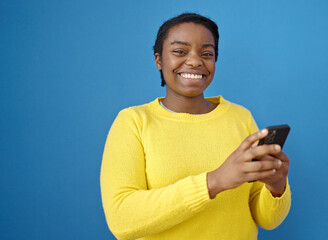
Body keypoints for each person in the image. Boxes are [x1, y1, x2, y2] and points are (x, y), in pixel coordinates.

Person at [100, 13, 291, 240]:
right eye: (180, 51)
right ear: (158, 60)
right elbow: (121, 220)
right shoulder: (133, 121)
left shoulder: (241, 117)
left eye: (206, 53)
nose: (194, 61)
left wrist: (277, 187)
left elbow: (267, 220)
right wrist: (215, 181)